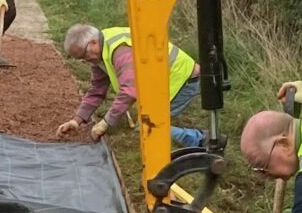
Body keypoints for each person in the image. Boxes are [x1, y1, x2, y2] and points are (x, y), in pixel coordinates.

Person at [55, 22, 204, 151]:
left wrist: (106, 122)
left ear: (93, 42)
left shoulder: (120, 50)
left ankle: (200, 139)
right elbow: (97, 90)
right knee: (146, 123)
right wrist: (76, 120)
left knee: (147, 127)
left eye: (84, 55)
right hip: (164, 81)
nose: (85, 60)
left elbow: (129, 92)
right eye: (80, 59)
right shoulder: (101, 53)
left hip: (180, 78)